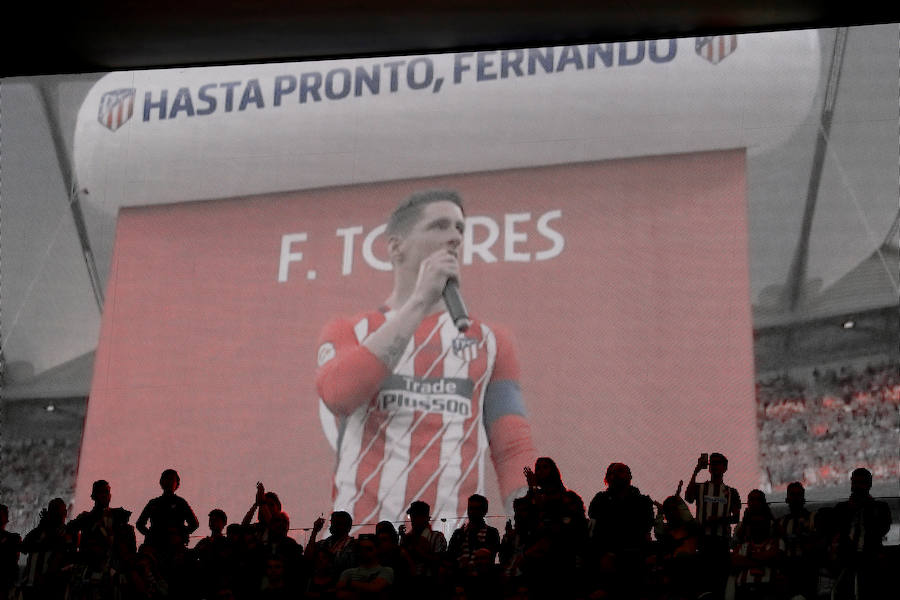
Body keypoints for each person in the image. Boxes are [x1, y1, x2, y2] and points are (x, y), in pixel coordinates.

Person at [315, 189, 537, 524]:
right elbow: (339, 395)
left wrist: (533, 527)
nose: (454, 237)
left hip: (452, 551)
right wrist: (420, 299)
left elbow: (512, 448)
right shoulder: (349, 329)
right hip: (362, 542)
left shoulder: (492, 340)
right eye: (439, 226)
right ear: (395, 246)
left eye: (460, 229)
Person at [684, 453, 741, 599]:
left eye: (718, 463)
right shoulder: (701, 487)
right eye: (712, 463)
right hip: (703, 541)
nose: (714, 466)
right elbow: (688, 498)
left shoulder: (732, 492)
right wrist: (696, 471)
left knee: (720, 580)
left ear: (725, 468)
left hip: (721, 542)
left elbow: (735, 517)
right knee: (704, 580)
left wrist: (718, 520)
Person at [831, 467, 892, 599]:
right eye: (855, 482)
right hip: (846, 560)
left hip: (871, 559)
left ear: (869, 484)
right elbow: (835, 529)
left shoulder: (880, 508)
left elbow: (881, 529)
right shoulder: (841, 508)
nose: (858, 486)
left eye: (861, 482)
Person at [135, 468, 199, 554]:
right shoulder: (154, 503)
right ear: (161, 482)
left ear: (177, 484)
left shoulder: (181, 503)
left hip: (175, 547)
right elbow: (140, 524)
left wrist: (180, 534)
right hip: (155, 546)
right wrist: (151, 535)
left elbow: (194, 524)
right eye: (166, 479)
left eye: (172, 479)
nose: (169, 482)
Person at [447, 494, 501, 582]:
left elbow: (489, 558)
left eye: (476, 509)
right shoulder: (459, 533)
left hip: (482, 580)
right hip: (460, 579)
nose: (472, 512)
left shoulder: (491, 533)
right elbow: (450, 556)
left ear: (484, 511)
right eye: (470, 509)